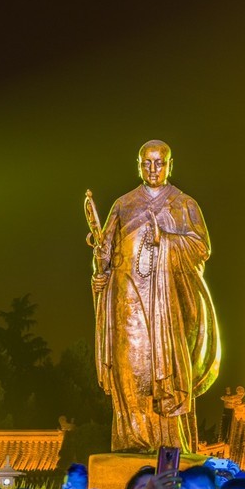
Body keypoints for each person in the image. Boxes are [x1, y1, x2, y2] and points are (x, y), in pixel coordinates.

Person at [86, 140, 222, 452]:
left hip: (165, 306)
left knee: (165, 374)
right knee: (130, 370)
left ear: (170, 165)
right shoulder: (123, 204)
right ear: (138, 165)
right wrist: (100, 265)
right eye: (146, 162)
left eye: (159, 162)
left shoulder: (184, 204)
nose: (153, 168)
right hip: (127, 302)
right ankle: (132, 441)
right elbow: (106, 253)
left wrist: (167, 240)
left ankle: (169, 444)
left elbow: (201, 248)